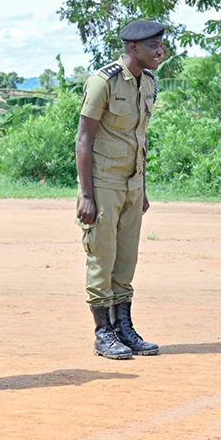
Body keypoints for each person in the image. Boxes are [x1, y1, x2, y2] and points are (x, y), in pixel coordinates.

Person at [75, 20, 163, 359]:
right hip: (103, 183)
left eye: (161, 45)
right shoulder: (103, 82)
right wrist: (86, 195)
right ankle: (103, 333)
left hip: (132, 184)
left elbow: (139, 138)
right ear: (132, 47)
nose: (160, 52)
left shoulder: (149, 82)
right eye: (154, 46)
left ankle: (124, 328)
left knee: (126, 259)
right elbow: (84, 139)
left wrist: (142, 188)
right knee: (102, 257)